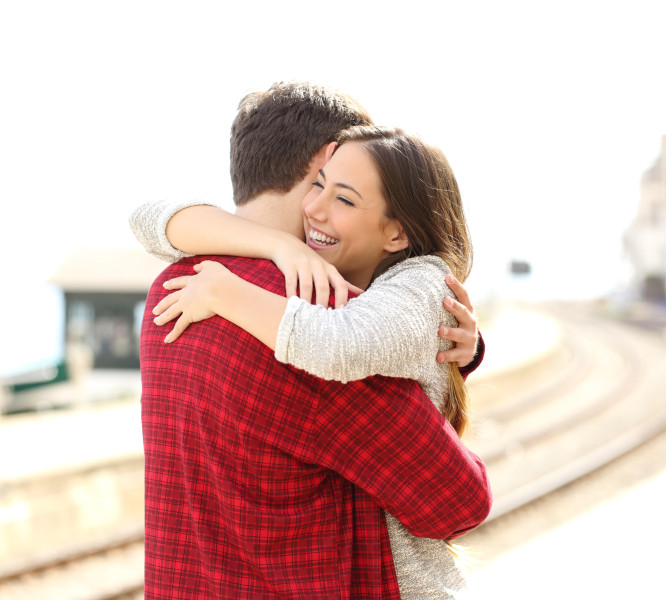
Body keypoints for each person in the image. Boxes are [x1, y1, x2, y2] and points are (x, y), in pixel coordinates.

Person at [137, 82, 491, 600]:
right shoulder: (311, 317)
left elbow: (150, 218)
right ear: (323, 161)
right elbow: (455, 502)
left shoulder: (171, 289)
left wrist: (464, 350)